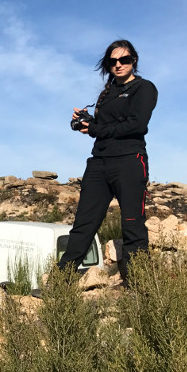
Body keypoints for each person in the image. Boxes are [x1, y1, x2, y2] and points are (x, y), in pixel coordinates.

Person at [57, 40, 158, 287]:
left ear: (134, 60)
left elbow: (137, 125)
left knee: (133, 225)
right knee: (83, 224)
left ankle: (137, 286)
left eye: (124, 59)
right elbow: (106, 127)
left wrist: (94, 128)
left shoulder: (144, 88)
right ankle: (61, 283)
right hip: (99, 163)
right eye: (113, 61)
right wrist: (87, 120)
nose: (118, 65)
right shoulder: (107, 93)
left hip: (129, 161)